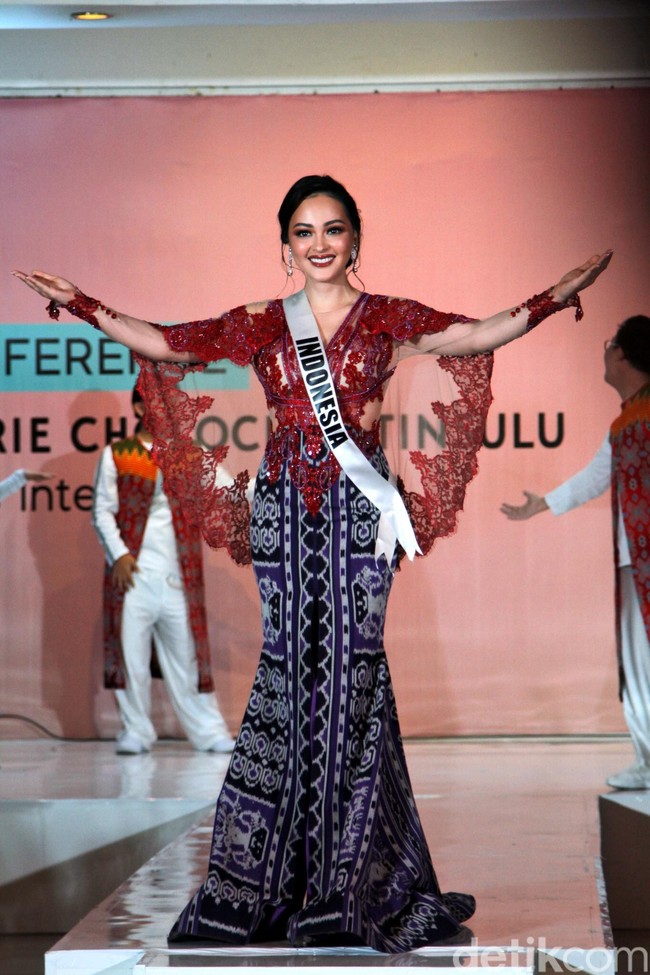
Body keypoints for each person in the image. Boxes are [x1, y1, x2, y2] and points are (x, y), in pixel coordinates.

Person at [13, 174, 611, 952]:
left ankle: (351, 878)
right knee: (294, 669)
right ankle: (283, 874)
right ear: (286, 244)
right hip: (284, 512)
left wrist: (551, 298)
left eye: (333, 229)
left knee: (354, 668)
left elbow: (472, 335)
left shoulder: (389, 316)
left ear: (355, 240)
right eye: (304, 231)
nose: (320, 244)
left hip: (361, 513)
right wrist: (83, 301)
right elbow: (166, 340)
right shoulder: (263, 323)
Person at [501, 315, 650, 791]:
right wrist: (542, 504)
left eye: (608, 344)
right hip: (634, 559)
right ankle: (647, 759)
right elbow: (594, 477)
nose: (603, 354)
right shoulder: (623, 422)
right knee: (638, 659)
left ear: (623, 355)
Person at [92, 384, 235, 756]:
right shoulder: (118, 454)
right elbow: (102, 510)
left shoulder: (188, 455)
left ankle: (208, 732)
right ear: (140, 407)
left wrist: (273, 487)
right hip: (133, 575)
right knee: (132, 658)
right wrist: (119, 555)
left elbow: (229, 487)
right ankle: (136, 730)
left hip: (177, 576)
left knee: (187, 658)